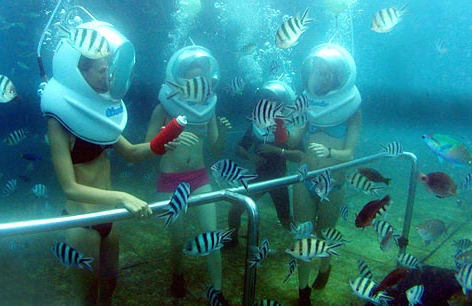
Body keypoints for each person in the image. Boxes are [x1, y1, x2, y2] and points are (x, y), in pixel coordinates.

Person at [40, 21, 188, 305]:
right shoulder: (57, 122)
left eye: (109, 69)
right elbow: (70, 188)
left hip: (111, 218)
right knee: (87, 297)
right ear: (79, 73)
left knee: (110, 286)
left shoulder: (97, 114)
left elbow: (131, 152)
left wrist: (160, 145)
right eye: (101, 70)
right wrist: (122, 196)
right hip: (82, 220)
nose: (108, 76)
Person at [145, 45, 232, 304]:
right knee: (177, 239)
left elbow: (215, 147)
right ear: (180, 78)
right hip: (170, 179)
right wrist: (166, 142)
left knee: (212, 233)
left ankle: (217, 290)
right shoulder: (163, 108)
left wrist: (224, 134)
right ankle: (177, 275)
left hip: (199, 177)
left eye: (202, 76)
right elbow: (148, 146)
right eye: (192, 76)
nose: (197, 81)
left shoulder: (209, 109)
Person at [292, 43, 362, 306]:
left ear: (341, 76)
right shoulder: (307, 104)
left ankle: (325, 266)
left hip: (334, 183)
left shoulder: (353, 109)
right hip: (305, 179)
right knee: (303, 235)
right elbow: (293, 140)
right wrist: (279, 127)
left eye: (329, 72)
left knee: (324, 233)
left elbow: (349, 155)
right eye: (319, 70)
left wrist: (330, 150)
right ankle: (303, 292)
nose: (323, 76)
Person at [226, 80, 305, 247]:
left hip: (279, 179)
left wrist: (276, 150)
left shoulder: (287, 128)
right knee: (236, 208)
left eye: (272, 101)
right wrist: (251, 157)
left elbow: (300, 156)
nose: (267, 105)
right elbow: (239, 147)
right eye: (264, 101)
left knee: (285, 220)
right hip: (260, 177)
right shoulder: (257, 124)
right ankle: (232, 240)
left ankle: (306, 241)